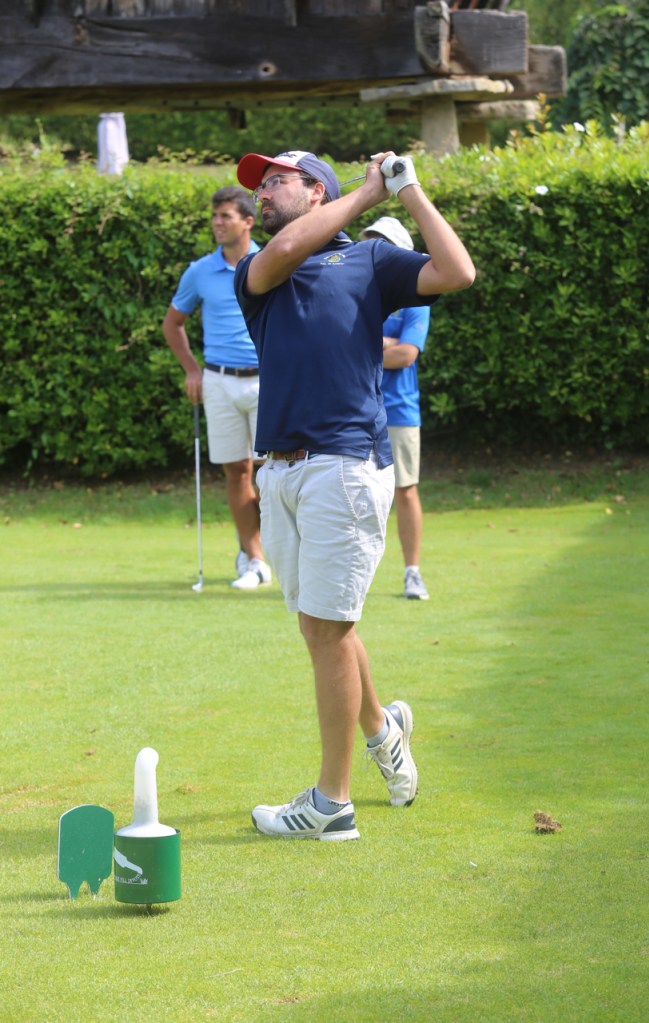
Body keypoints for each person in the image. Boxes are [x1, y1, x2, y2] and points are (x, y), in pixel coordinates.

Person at [234, 149, 475, 840]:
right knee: (324, 626)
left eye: (276, 181)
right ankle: (383, 727)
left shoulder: (368, 260)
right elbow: (285, 250)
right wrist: (369, 194)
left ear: (318, 190)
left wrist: (409, 191)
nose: (262, 193)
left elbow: (458, 271)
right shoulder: (261, 267)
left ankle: (332, 804)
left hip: (343, 463)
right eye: (260, 184)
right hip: (279, 471)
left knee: (328, 628)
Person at [162, 185, 272, 590]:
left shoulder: (271, 260)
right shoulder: (199, 271)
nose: (217, 222)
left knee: (272, 473)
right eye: (214, 216)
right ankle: (254, 560)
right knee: (236, 471)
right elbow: (173, 324)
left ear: (248, 221)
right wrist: (192, 370)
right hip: (219, 380)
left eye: (226, 216)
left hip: (267, 379)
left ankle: (265, 548)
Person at [359, 216, 431, 601]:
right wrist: (386, 343)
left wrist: (366, 346)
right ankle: (353, 575)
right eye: (372, 244)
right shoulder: (357, 292)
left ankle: (412, 573)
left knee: (405, 490)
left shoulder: (416, 297)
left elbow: (406, 355)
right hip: (355, 407)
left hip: (399, 409)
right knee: (353, 491)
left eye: (384, 245)